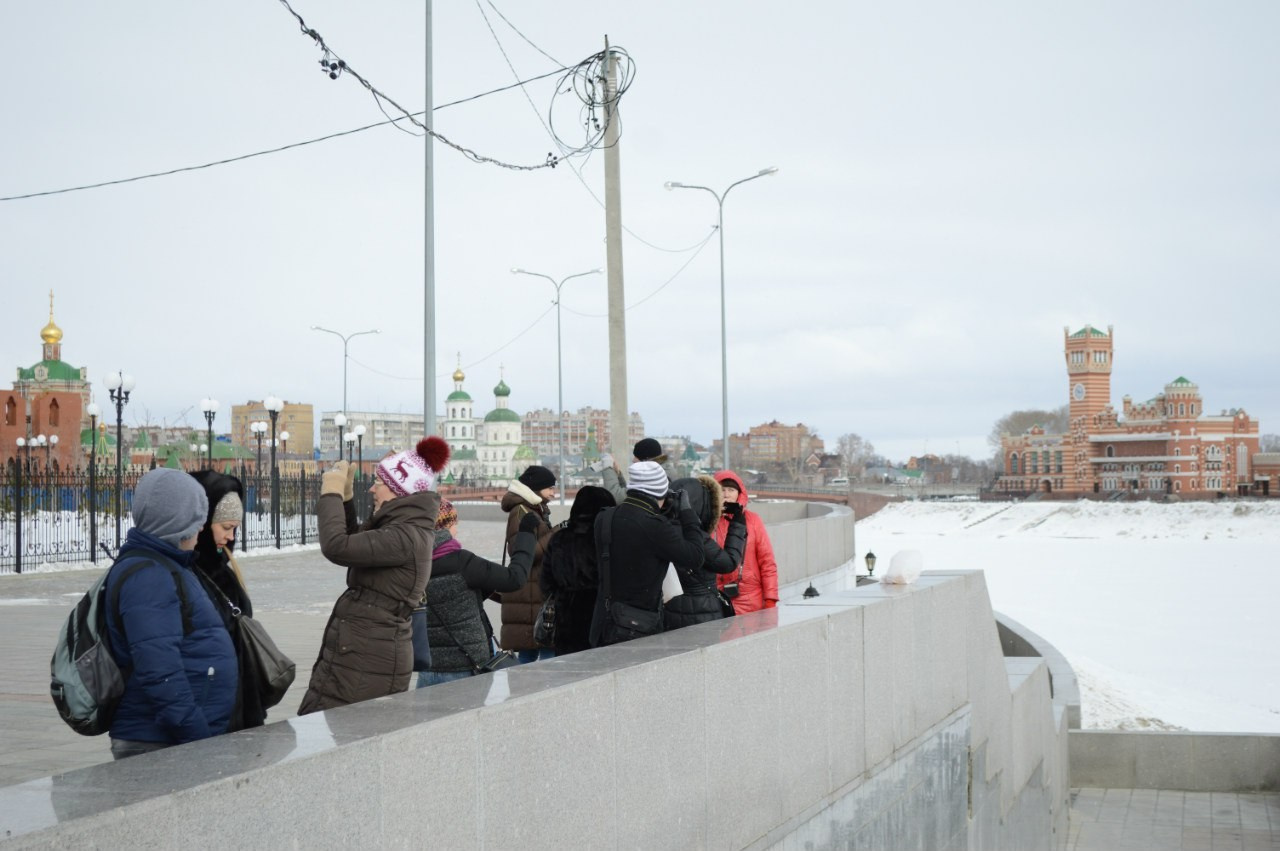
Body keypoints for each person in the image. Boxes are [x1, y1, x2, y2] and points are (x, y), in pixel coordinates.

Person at [297, 437, 448, 714]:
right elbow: (357, 541)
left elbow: (337, 546)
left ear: (397, 490)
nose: (371, 488)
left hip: (367, 661)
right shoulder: (402, 529)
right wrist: (345, 498)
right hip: (362, 653)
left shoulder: (404, 536)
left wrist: (329, 492)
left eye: (378, 483)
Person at [103, 468, 238, 759]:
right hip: (159, 740)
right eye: (194, 521)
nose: (201, 529)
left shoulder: (168, 565)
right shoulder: (149, 576)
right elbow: (159, 671)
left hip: (170, 737)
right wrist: (196, 734)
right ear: (175, 523)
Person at [418, 499, 541, 686]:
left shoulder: (413, 564)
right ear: (445, 525)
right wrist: (526, 536)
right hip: (466, 668)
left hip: (427, 668)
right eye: (454, 523)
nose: (457, 529)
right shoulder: (462, 562)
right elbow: (515, 578)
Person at [188, 469, 274, 729]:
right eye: (225, 527)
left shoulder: (223, 571)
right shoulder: (188, 574)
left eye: (235, 528)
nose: (231, 537)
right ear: (202, 523)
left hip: (235, 703)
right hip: (213, 708)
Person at [589, 460, 705, 647]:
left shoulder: (604, 517)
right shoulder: (655, 526)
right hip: (637, 627)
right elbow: (696, 556)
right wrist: (688, 514)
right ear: (661, 492)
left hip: (603, 623)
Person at [662, 475, 748, 630]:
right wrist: (738, 524)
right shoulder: (693, 534)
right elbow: (728, 563)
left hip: (669, 611)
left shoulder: (663, 528)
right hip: (701, 612)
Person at [539, 486, 615, 655]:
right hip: (601, 616)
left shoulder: (559, 538)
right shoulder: (606, 540)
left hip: (566, 618)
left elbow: (545, 582)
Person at [498, 464, 558, 664]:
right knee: (540, 650)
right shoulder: (522, 512)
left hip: (531, 592)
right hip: (527, 593)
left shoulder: (535, 509)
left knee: (531, 650)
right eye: (550, 487)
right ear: (537, 488)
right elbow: (521, 552)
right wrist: (555, 533)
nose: (553, 492)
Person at [712, 470, 779, 613]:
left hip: (751, 599)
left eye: (731, 490)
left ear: (739, 493)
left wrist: (770, 599)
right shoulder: (708, 522)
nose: (726, 494)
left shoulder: (753, 520)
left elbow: (767, 562)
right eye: (722, 489)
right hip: (717, 599)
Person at [600, 437, 679, 505]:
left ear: (646, 459)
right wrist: (618, 475)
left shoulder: (653, 476)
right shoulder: (665, 470)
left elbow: (616, 497)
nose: (633, 460)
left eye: (636, 457)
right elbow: (632, 494)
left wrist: (607, 466)